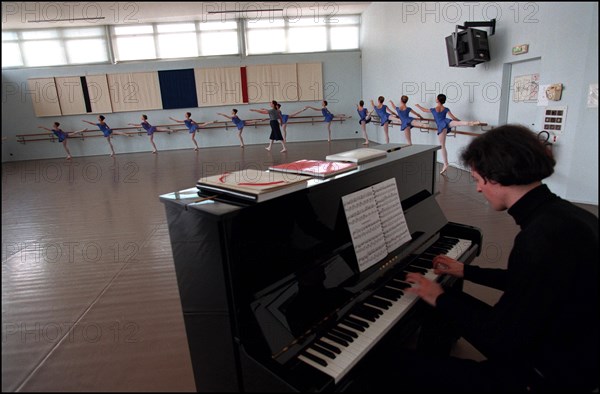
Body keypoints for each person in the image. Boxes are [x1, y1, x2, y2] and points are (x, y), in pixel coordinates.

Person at [354, 124, 599, 392]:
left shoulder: (539, 238)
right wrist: (467, 271)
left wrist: (439, 296)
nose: (479, 189)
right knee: (447, 301)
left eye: (477, 180)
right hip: (571, 352)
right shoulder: (570, 217)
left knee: (379, 364)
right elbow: (530, 280)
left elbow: (503, 341)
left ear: (495, 178)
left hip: (544, 376)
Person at [415, 94, 483, 174]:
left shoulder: (434, 109)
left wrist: (418, 106)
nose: (436, 99)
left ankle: (445, 163)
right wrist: (459, 121)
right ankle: (468, 123)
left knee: (442, 145)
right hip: (447, 122)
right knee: (456, 123)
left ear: (438, 100)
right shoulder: (445, 108)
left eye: (436, 98)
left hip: (441, 126)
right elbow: (453, 118)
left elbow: (424, 110)